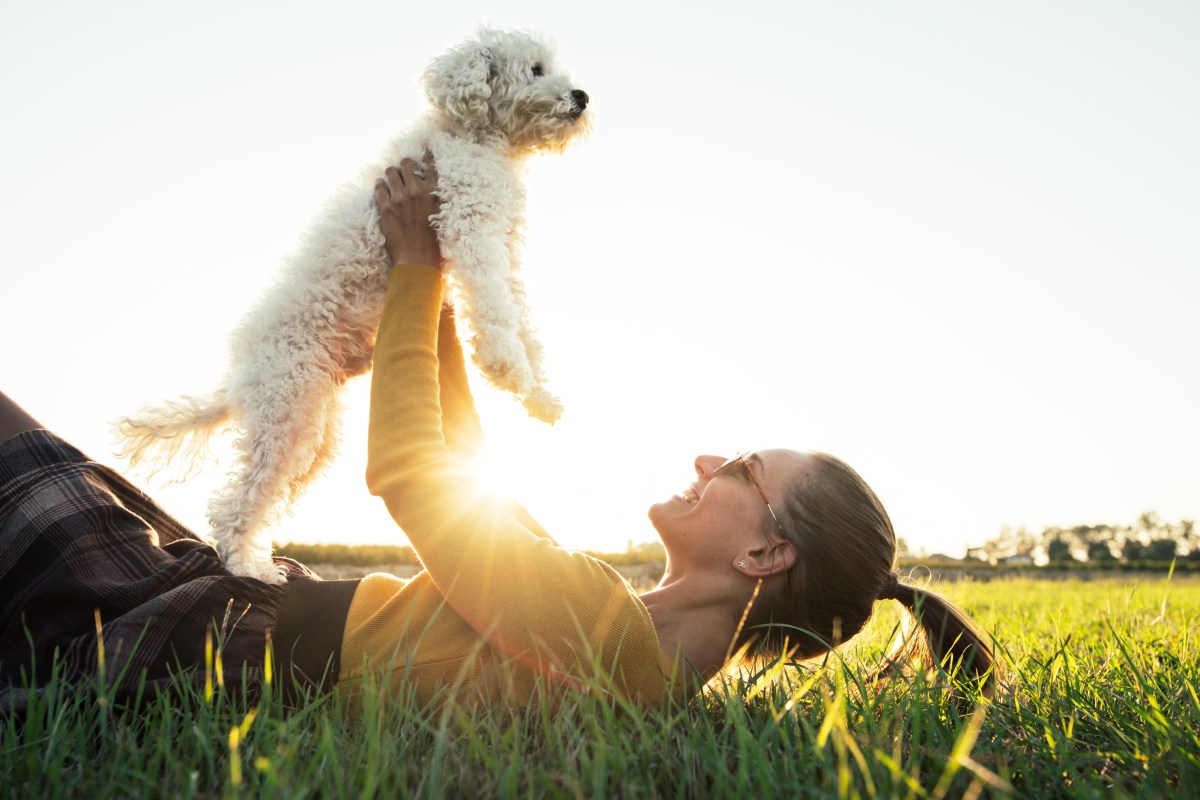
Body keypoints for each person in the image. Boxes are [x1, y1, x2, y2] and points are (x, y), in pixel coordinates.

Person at [0, 158, 995, 710]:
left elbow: (413, 478)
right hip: (240, 608)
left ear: (764, 549)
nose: (705, 459)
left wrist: (412, 267)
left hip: (206, 640)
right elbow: (483, 491)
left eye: (740, 468)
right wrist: (426, 320)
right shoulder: (632, 649)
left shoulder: (604, 628)